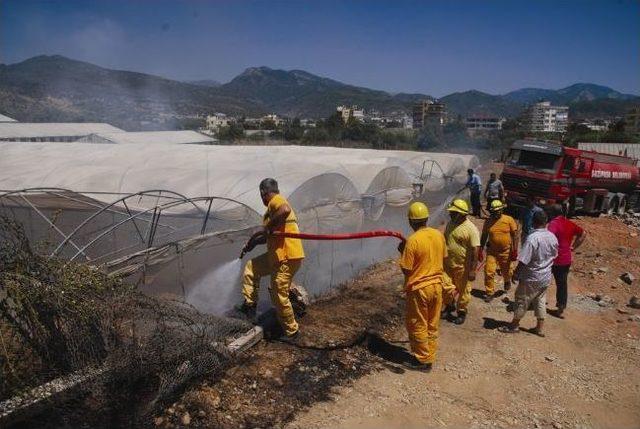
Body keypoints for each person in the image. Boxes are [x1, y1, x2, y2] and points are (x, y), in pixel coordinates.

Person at [237, 178, 305, 341]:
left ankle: (292, 331)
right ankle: (250, 306)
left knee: (278, 294)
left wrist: (264, 228)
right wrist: (251, 244)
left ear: (263, 193)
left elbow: (285, 210)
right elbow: (268, 235)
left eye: (261, 195)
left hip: (287, 256)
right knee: (252, 268)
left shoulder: (276, 201)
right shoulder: (271, 211)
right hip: (277, 255)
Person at [398, 202, 447, 372]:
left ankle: (422, 361)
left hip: (420, 289)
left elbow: (406, 269)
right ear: (426, 218)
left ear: (411, 221)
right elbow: (444, 257)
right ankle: (429, 355)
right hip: (437, 286)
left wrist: (402, 251)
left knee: (417, 323)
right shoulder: (438, 234)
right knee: (432, 323)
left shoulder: (412, 241)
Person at [499, 210, 558, 337]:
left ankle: (514, 325)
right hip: (545, 276)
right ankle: (539, 328)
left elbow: (524, 259)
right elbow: (554, 255)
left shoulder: (533, 238)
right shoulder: (552, 237)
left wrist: (516, 273)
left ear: (533, 222)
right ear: (545, 222)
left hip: (531, 277)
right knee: (540, 300)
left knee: (522, 300)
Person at [442, 199, 480, 325]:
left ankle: (461, 312)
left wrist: (473, 270)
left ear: (461, 214)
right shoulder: (450, 223)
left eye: (453, 212)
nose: (450, 214)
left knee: (463, 291)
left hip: (462, 266)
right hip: (447, 263)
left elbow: (475, 250)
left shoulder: (471, 229)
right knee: (444, 286)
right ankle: (449, 305)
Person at [547, 204, 586, 318]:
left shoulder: (553, 224)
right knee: (562, 284)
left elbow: (549, 238)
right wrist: (573, 247)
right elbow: (583, 233)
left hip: (553, 258)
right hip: (565, 259)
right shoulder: (569, 223)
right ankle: (561, 307)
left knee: (543, 280)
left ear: (553, 213)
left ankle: (536, 303)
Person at [480, 200, 518, 302]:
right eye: (494, 211)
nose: (496, 213)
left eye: (498, 211)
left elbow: (515, 236)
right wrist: (480, 249)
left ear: (501, 210)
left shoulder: (509, 220)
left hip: (506, 251)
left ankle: (507, 280)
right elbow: (484, 236)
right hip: (492, 252)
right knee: (489, 271)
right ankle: (490, 292)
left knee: (507, 272)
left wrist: (515, 250)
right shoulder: (488, 221)